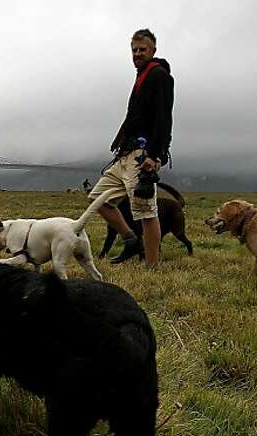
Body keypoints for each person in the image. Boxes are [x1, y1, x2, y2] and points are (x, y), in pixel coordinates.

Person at [88, 28, 174, 267]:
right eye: (134, 50)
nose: (137, 53)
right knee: (97, 198)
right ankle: (130, 240)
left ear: (153, 50)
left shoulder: (159, 76)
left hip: (142, 155)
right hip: (125, 154)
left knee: (146, 212)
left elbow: (163, 119)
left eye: (142, 49)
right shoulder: (141, 76)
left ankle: (152, 266)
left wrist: (156, 155)